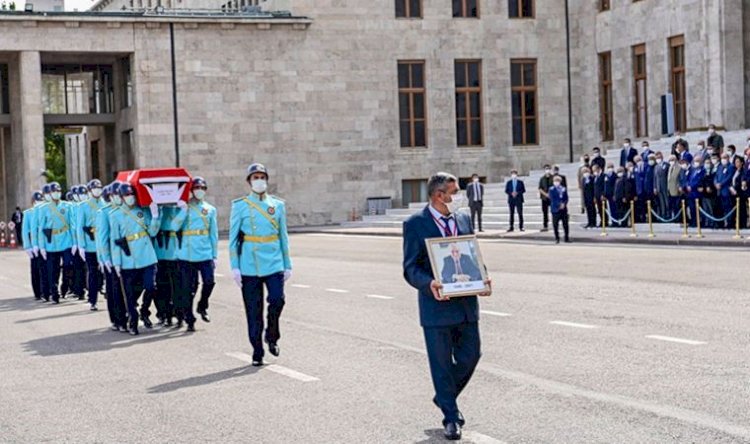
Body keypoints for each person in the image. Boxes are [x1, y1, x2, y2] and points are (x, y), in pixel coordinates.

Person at [402, 172, 490, 441]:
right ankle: (451, 417)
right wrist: (429, 284)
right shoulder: (416, 224)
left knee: (471, 356)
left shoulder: (462, 218)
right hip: (436, 307)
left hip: (466, 305)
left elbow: (472, 255)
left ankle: (443, 395)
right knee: (441, 364)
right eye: (455, 192)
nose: (458, 197)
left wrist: (483, 277)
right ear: (439, 195)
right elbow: (410, 268)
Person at [230, 163, 292, 367]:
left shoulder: (278, 205)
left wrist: (287, 263)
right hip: (250, 264)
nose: (259, 181)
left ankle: (272, 335)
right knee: (253, 310)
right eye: (254, 177)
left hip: (273, 261)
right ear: (249, 182)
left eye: (261, 177)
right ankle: (257, 350)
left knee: (277, 300)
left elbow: (283, 236)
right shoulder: (240, 206)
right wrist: (235, 266)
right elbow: (233, 240)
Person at [110, 183, 161, 335]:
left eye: (131, 194)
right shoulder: (115, 215)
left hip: (147, 255)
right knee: (130, 295)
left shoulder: (142, 211)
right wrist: (117, 262)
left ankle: (145, 310)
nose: (130, 197)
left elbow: (152, 232)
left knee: (151, 286)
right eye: (126, 195)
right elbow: (115, 240)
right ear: (121, 197)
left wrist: (155, 217)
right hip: (128, 258)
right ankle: (133, 321)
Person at [175, 177, 218, 329]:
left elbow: (213, 234)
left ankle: (202, 305)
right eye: (197, 188)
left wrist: (215, 255)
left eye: (202, 188)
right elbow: (174, 226)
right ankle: (189, 318)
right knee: (187, 288)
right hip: (186, 254)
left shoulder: (210, 209)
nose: (199, 190)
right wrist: (182, 212)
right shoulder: (184, 206)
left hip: (204, 252)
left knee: (209, 282)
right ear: (192, 190)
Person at [36, 182, 74, 304]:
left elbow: (72, 225)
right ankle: (54, 292)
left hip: (66, 239)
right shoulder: (43, 209)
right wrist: (41, 246)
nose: (56, 193)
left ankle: (65, 286)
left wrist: (75, 242)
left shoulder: (67, 206)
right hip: (51, 242)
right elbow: (41, 228)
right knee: (53, 269)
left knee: (68, 265)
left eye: (58, 191)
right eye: (54, 192)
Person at [97, 183, 127, 332]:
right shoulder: (105, 212)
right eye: (114, 195)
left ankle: (126, 316)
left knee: (125, 288)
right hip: (111, 256)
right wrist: (104, 258)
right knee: (114, 288)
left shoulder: (126, 210)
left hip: (126, 255)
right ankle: (117, 319)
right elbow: (102, 238)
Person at [76, 180, 104, 311]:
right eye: (95, 188)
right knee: (93, 272)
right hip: (90, 244)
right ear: (90, 191)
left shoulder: (105, 204)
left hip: (103, 245)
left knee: (104, 272)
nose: (97, 190)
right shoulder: (83, 206)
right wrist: (81, 245)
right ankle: (93, 299)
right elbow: (79, 227)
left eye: (99, 188)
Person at [21, 192, 44, 300]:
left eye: (41, 200)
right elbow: (25, 231)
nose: (39, 202)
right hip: (33, 244)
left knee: (45, 268)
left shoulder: (45, 211)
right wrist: (27, 247)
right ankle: (37, 292)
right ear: (33, 202)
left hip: (45, 244)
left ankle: (45, 290)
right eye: (37, 201)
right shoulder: (28, 213)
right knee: (35, 269)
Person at [714, 153, 735, 229]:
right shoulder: (720, 167)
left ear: (728, 158)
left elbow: (729, 178)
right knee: (721, 208)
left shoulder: (731, 167)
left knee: (728, 208)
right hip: (719, 191)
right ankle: (721, 224)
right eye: (722, 158)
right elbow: (716, 176)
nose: (723, 159)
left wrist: (721, 184)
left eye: (725, 158)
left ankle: (729, 223)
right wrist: (716, 183)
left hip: (726, 190)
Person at [548, 175, 570, 243]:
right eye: (555, 181)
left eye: (558, 181)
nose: (556, 182)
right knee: (555, 225)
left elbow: (566, 198)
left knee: (565, 224)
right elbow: (552, 199)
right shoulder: (551, 189)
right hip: (555, 209)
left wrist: (564, 204)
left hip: (563, 209)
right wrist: (559, 205)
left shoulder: (563, 189)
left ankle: (566, 237)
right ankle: (557, 238)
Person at [685, 157, 705, 227]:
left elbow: (699, 180)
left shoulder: (703, 170)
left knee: (697, 209)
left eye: (698, 161)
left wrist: (692, 186)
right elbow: (688, 179)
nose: (696, 163)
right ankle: (693, 221)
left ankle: (698, 222)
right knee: (691, 208)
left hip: (697, 192)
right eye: (695, 161)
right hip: (690, 193)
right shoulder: (692, 170)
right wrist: (687, 185)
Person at [730, 157, 747, 229]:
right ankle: (736, 225)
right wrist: (731, 188)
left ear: (741, 163)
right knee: (735, 210)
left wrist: (735, 188)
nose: (736, 163)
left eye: (738, 162)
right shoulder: (735, 171)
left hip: (740, 194)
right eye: (735, 162)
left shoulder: (743, 171)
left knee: (742, 210)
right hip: (733, 193)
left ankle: (743, 225)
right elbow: (732, 180)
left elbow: (741, 181)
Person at [653, 152, 670, 219]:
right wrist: (655, 187)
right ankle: (663, 214)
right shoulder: (656, 166)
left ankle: (668, 214)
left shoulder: (666, 165)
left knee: (666, 201)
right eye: (657, 158)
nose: (658, 159)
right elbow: (655, 177)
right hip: (658, 186)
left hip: (665, 185)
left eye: (659, 158)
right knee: (661, 201)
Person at [538, 165, 554, 232]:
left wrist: (550, 194)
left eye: (548, 169)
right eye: (546, 169)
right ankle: (545, 226)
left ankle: (554, 224)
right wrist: (545, 194)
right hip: (544, 198)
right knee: (545, 212)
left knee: (553, 211)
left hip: (552, 197)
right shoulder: (542, 178)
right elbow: (540, 188)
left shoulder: (553, 177)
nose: (547, 170)